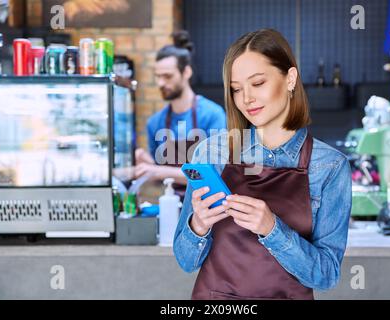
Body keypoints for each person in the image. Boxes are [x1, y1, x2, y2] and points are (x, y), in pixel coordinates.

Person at [173, 29, 352, 300]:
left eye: (257, 83)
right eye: (236, 89)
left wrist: (272, 229)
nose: (246, 99)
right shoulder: (211, 152)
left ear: (290, 79)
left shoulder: (329, 167)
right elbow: (186, 261)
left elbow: (327, 275)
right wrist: (199, 225)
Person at [130, 31, 226, 192]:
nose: (161, 83)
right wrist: (147, 165)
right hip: (172, 204)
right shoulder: (155, 123)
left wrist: (159, 171)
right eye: (158, 76)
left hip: (209, 206)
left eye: (167, 76)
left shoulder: (212, 115)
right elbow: (159, 178)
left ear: (186, 72)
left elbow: (216, 173)